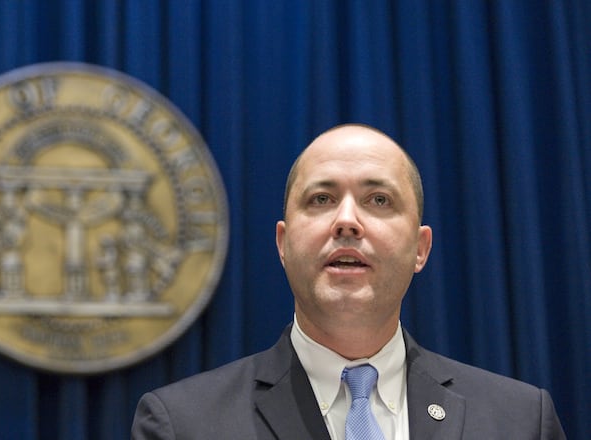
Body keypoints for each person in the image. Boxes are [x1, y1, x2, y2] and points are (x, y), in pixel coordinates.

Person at [131, 124, 566, 439]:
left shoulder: (522, 420)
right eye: (321, 199)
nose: (346, 221)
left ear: (421, 248)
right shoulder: (183, 424)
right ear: (283, 244)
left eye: (379, 200)